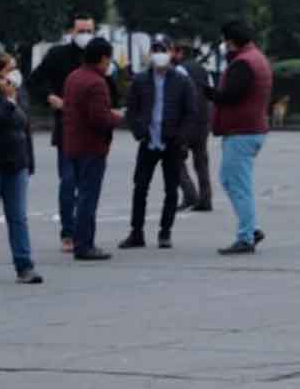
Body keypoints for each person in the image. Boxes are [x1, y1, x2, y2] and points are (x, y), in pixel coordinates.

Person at [28, 14, 117, 254]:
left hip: (90, 133)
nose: (85, 34)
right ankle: (69, 233)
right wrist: (50, 97)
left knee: (86, 187)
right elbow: (35, 80)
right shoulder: (58, 55)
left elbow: (111, 93)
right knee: (69, 182)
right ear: (72, 31)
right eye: (81, 30)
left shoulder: (101, 62)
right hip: (67, 127)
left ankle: (80, 235)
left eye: (89, 30)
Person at [118, 35, 197, 250]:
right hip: (148, 141)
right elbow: (131, 108)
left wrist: (181, 138)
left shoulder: (182, 80)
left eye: (163, 49)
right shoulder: (141, 80)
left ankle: (165, 232)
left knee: (171, 189)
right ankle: (136, 233)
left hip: (172, 143)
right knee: (140, 187)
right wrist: (138, 131)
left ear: (172, 52)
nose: (159, 54)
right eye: (155, 50)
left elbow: (191, 113)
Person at [205, 21, 272, 255]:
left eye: (225, 40)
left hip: (242, 132)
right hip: (249, 130)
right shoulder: (255, 58)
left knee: (238, 185)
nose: (224, 45)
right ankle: (250, 228)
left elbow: (230, 96)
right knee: (229, 179)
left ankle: (246, 236)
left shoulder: (243, 63)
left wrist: (206, 91)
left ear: (231, 41)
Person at [62, 37, 123, 261]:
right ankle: (85, 245)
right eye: (109, 59)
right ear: (103, 58)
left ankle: (79, 240)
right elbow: (100, 119)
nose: (109, 64)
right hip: (92, 147)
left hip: (73, 145)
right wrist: (119, 118)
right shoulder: (97, 83)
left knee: (81, 195)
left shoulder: (73, 76)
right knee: (89, 197)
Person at [0, 65, 42, 283]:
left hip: (16, 164)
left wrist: (29, 162)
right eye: (8, 70)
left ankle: (24, 266)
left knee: (18, 218)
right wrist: (7, 101)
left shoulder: (17, 92)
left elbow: (24, 125)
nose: (14, 74)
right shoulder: (7, 97)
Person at [172, 39, 214, 212]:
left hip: (186, 122)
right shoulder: (204, 70)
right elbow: (211, 94)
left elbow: (176, 96)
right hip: (203, 121)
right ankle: (206, 200)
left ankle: (190, 194)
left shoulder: (180, 69)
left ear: (180, 52)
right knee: (201, 161)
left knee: (175, 159)